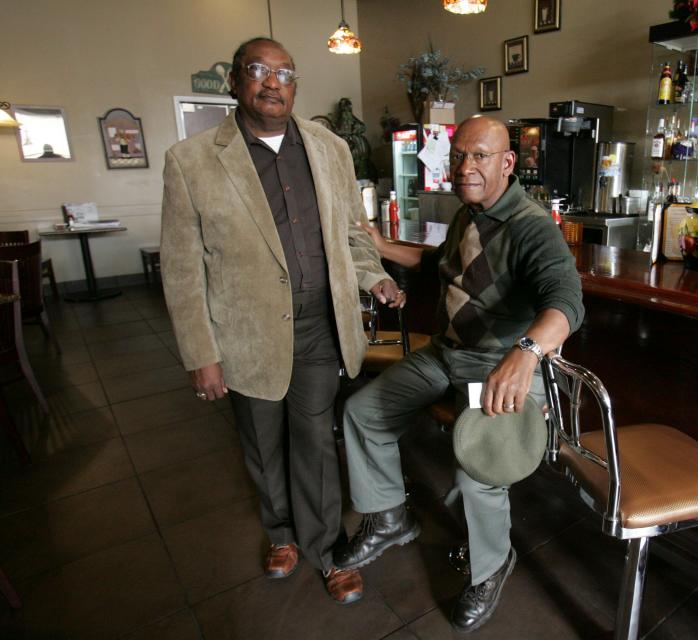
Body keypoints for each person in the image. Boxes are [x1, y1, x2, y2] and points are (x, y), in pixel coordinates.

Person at [160, 36, 403, 605]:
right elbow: (181, 269)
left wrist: (375, 277)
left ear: (296, 85)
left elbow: (350, 233)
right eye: (259, 71)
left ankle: (322, 548)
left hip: (320, 323)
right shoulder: (190, 161)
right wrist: (201, 354)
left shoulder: (329, 148)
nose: (273, 83)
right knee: (263, 442)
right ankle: (280, 531)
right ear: (235, 83)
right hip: (245, 332)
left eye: (285, 73)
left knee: (315, 438)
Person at [336, 116, 584, 632]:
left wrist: (525, 353)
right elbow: (440, 267)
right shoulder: (468, 212)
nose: (465, 167)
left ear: (507, 163)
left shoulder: (531, 225)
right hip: (447, 353)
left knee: (479, 473)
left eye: (480, 157)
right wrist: (379, 245)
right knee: (362, 411)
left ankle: (490, 567)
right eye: (458, 156)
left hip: (499, 365)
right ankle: (388, 516)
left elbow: (567, 302)